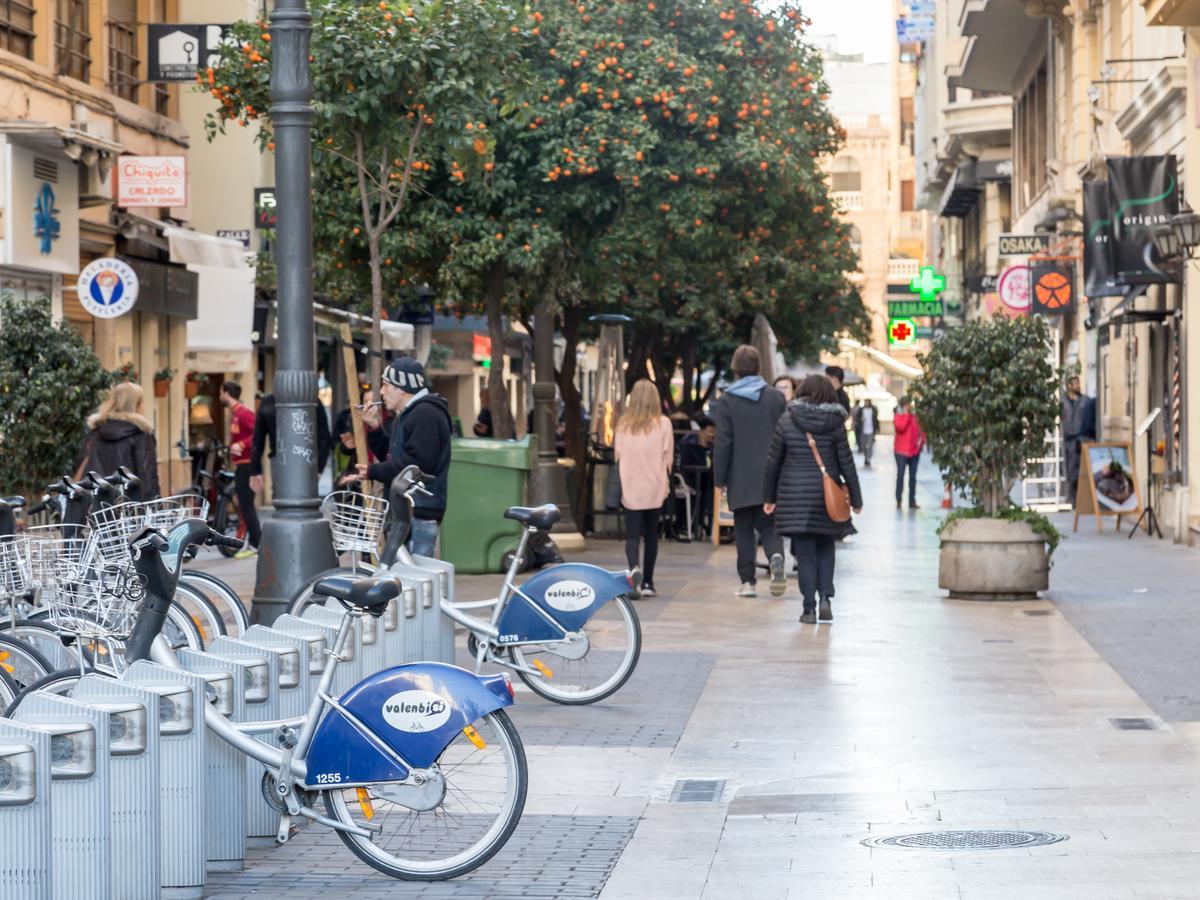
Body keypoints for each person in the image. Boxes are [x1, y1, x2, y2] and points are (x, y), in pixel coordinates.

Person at [763, 374, 862, 623]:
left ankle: (808, 608)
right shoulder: (836, 423)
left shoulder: (787, 420)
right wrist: (856, 499)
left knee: (804, 551)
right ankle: (825, 598)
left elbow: (773, 463)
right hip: (827, 498)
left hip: (795, 496)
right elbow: (846, 463)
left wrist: (769, 496)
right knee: (826, 546)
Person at [352, 358, 452, 557]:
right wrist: (374, 428)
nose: (381, 392)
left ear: (403, 388)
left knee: (414, 580)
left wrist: (374, 471)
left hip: (418, 512)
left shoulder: (425, 414)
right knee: (405, 579)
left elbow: (415, 466)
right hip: (408, 510)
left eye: (386, 385)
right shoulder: (408, 414)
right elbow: (393, 457)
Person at [712, 345, 788, 598]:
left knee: (743, 529)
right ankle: (775, 555)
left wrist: (720, 478)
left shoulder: (727, 401)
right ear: (758, 367)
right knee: (770, 526)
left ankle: (748, 583)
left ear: (735, 368)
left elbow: (723, 443)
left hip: (739, 476)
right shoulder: (776, 398)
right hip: (772, 475)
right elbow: (784, 436)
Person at [613, 379, 673, 598]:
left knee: (632, 535)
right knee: (651, 536)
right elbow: (668, 458)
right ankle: (648, 583)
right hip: (655, 486)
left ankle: (633, 571)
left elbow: (617, 455)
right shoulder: (664, 423)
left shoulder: (623, 424)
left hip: (631, 486)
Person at [75, 381, 160, 498]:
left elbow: (80, 466)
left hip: (97, 506)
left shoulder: (96, 432)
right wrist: (154, 508)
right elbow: (148, 477)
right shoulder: (140, 434)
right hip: (128, 509)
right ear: (137, 405)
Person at [248, 393, 333, 495]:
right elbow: (324, 437)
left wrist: (255, 470)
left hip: (286, 459)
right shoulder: (311, 399)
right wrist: (319, 467)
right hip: (303, 458)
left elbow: (257, 440)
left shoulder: (269, 402)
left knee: (283, 498)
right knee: (304, 499)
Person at [220, 381, 260, 558]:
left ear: (227, 392)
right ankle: (254, 542)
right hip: (241, 464)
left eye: (221, 392)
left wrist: (242, 444)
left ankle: (256, 544)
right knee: (245, 505)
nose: (219, 396)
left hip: (247, 464)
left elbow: (257, 433)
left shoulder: (243, 414)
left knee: (246, 505)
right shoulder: (235, 414)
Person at [1062, 375, 1097, 506]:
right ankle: (1071, 497)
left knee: (1080, 470)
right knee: (1068, 470)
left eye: (1078, 383)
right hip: (1067, 439)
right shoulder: (1063, 402)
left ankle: (1080, 499)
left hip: (1080, 438)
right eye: (1075, 384)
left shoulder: (1085, 401)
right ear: (1069, 386)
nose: (1078, 386)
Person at [893, 395, 925, 509]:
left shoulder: (915, 417)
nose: (909, 406)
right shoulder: (899, 416)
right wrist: (906, 414)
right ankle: (898, 500)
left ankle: (912, 501)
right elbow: (900, 427)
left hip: (914, 452)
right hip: (901, 452)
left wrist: (920, 444)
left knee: (913, 477)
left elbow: (921, 431)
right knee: (900, 476)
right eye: (907, 404)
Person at [853, 399, 878, 468]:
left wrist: (877, 429)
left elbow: (876, 420)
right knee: (863, 446)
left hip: (871, 431)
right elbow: (857, 419)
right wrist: (861, 420)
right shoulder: (861, 410)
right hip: (863, 431)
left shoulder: (873, 410)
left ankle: (868, 459)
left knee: (869, 446)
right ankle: (865, 457)